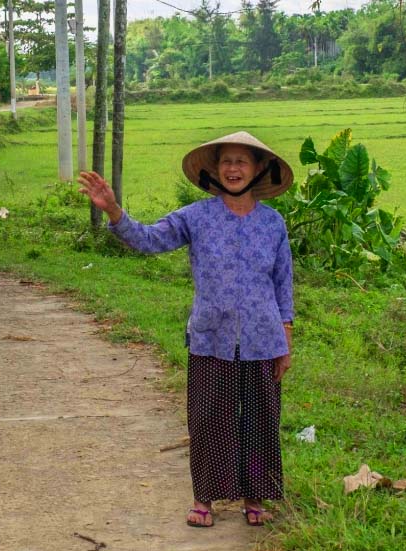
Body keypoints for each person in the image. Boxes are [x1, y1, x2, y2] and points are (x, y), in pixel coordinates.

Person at [77, 131, 295, 529]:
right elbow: (148, 240)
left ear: (259, 169)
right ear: (214, 170)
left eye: (241, 162)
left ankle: (254, 497)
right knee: (208, 417)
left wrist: (286, 338)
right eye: (226, 161)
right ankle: (205, 500)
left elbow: (283, 283)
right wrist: (113, 211)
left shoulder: (273, 223)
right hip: (211, 337)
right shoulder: (195, 217)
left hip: (264, 339)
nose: (233, 169)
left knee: (261, 419)